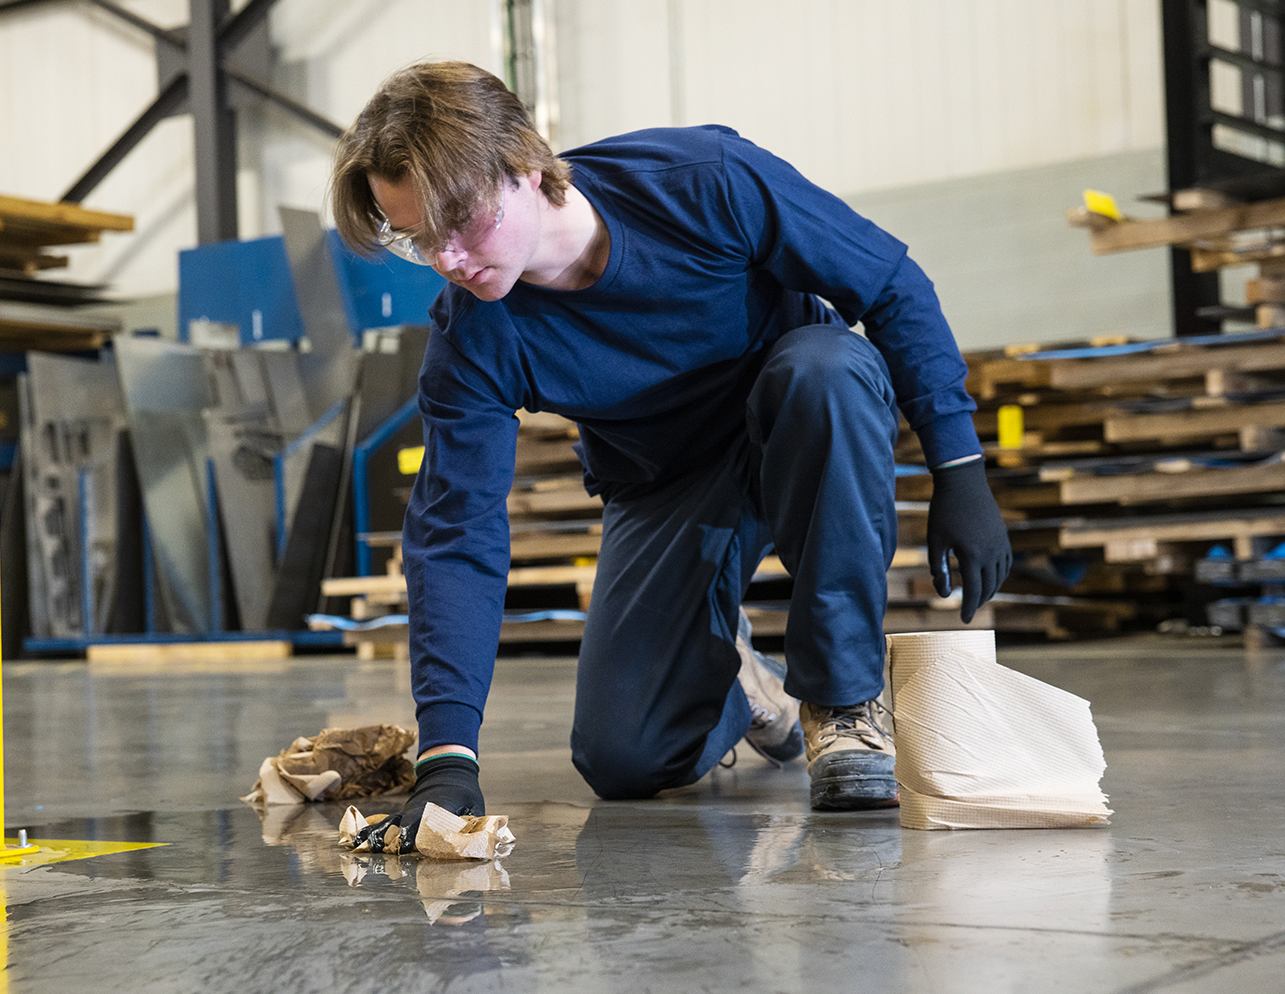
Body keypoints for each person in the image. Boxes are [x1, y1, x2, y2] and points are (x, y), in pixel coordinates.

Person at [329, 62, 1012, 851]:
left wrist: (960, 467)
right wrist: (448, 757)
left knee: (826, 369)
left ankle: (845, 702)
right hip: (665, 485)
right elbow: (455, 532)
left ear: (522, 165)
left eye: (457, 221)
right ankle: (741, 684)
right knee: (622, 756)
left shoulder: (702, 183)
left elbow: (890, 285)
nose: (447, 257)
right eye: (418, 240)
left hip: (797, 423)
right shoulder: (475, 333)